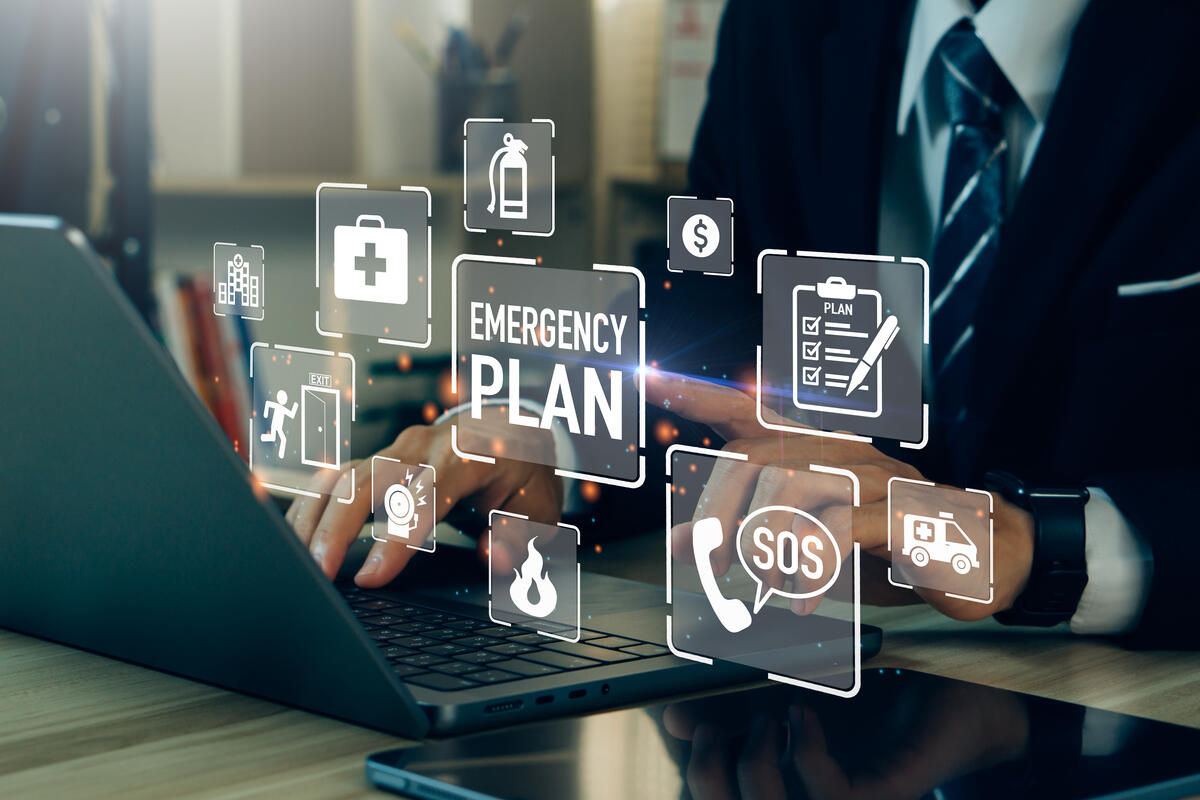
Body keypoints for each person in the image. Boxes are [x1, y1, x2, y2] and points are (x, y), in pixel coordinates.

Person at [286, 0, 1200, 648]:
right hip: (819, 675)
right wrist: (554, 438)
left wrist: (1046, 549)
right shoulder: (782, 24)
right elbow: (705, 344)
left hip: (1118, 699)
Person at [260, 389, 297, 459]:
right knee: (280, 438)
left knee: (280, 438)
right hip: (275, 425)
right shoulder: (277, 406)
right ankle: (263, 437)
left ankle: (263, 437)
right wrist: (265, 414)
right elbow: (268, 404)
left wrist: (295, 406)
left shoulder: (283, 408)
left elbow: (291, 415)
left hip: (278, 427)